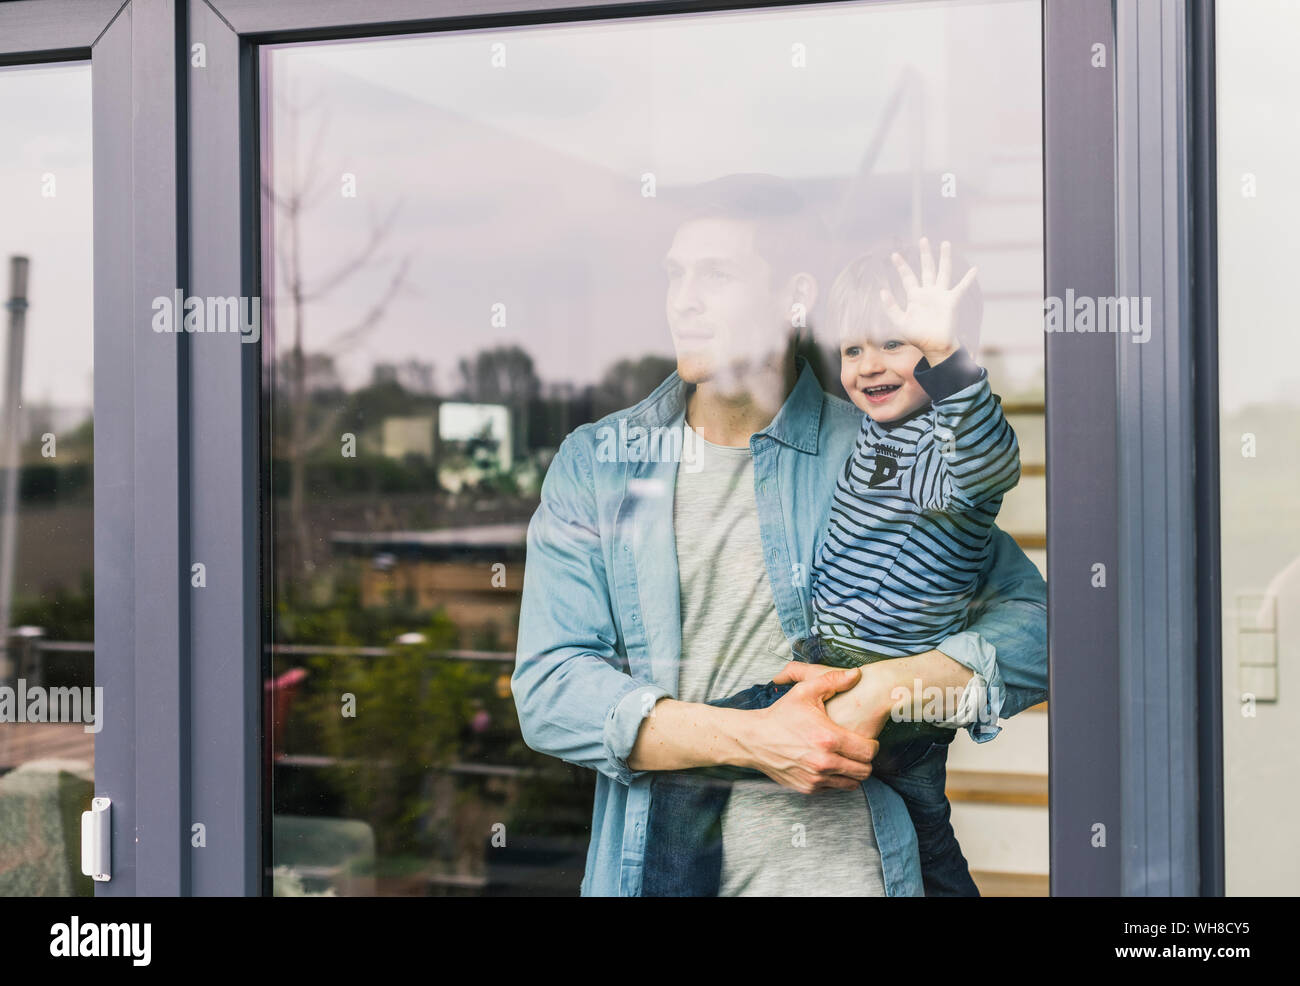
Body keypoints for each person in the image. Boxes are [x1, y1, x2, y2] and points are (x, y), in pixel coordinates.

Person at [512, 172, 1048, 896]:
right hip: (657, 873)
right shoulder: (600, 465)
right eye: (675, 275)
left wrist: (888, 690)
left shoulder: (879, 451)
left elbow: (1039, 633)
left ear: (794, 298)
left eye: (716, 274)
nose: (684, 300)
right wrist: (754, 739)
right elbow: (550, 691)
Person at [641, 242, 1020, 896]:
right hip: (857, 671)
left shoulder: (943, 454)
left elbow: (988, 462)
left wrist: (949, 360)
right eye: (851, 350)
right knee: (931, 839)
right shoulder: (871, 441)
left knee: (691, 772)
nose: (869, 365)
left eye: (895, 345)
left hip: (878, 677)